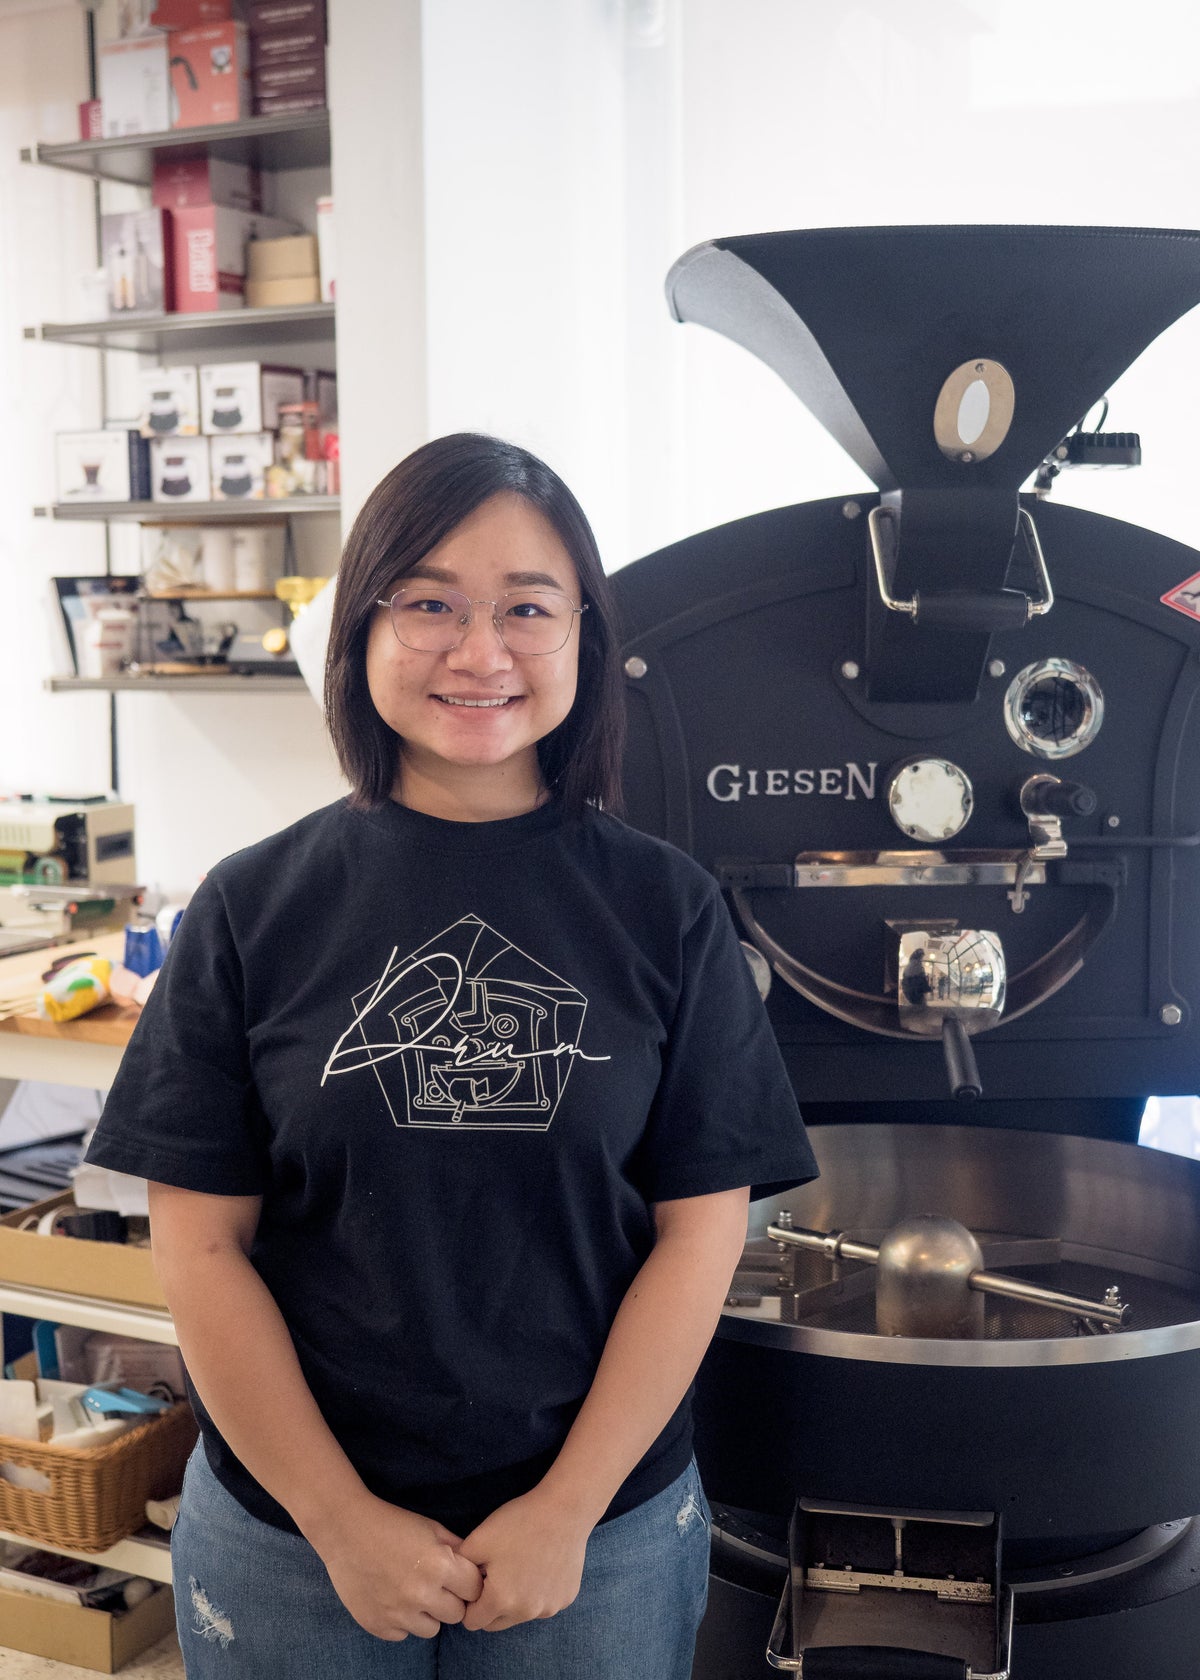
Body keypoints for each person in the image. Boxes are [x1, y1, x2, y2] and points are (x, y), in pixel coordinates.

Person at [86, 433, 816, 1679]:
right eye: (429, 604)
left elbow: (701, 1235)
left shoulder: (667, 908)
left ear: (583, 638)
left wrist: (568, 1507)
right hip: (289, 1535)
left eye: (528, 608)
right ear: (361, 631)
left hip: (599, 1534)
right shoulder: (251, 908)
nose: (481, 653)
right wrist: (337, 1517)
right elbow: (200, 1247)